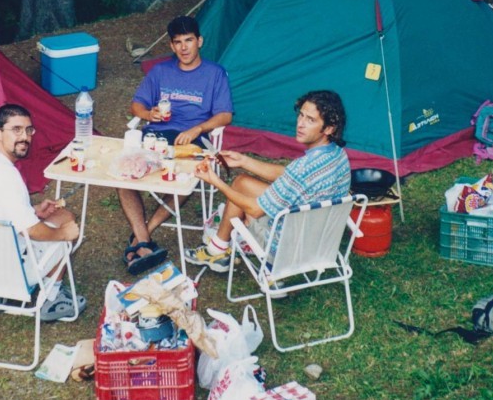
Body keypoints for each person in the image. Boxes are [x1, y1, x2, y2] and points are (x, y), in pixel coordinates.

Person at [185, 90, 351, 273]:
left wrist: (215, 181)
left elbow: (255, 209)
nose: (301, 124)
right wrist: (243, 161)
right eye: (301, 115)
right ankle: (219, 245)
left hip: (284, 249)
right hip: (320, 243)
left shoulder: (304, 168)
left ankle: (216, 250)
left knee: (243, 203)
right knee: (241, 182)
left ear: (329, 128)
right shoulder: (338, 155)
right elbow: (289, 175)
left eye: (310, 120)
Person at [118, 15, 234, 275]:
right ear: (171, 46)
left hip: (192, 138)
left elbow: (225, 115)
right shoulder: (160, 71)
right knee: (123, 177)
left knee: (187, 177)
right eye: (178, 42)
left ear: (199, 41)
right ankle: (144, 241)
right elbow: (136, 106)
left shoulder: (215, 73)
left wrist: (199, 128)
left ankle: (143, 235)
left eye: (189, 41)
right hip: (157, 135)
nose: (184, 48)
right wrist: (150, 115)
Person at [0, 103, 86, 322]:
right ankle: (52, 298)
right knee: (67, 221)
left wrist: (33, 210)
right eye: (16, 130)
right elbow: (32, 230)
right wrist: (64, 235)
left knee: (57, 219)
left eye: (28, 130)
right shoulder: (8, 176)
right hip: (8, 272)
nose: (25, 137)